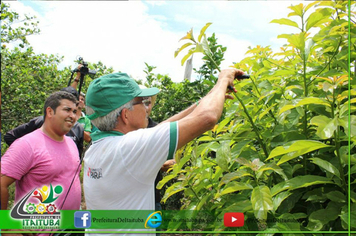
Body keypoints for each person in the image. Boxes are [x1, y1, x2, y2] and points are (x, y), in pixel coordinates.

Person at [83, 68, 245, 235]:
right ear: (125, 115)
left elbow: (159, 130)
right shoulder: (129, 149)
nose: (147, 108)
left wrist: (206, 100)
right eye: (143, 102)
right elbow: (208, 117)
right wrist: (223, 78)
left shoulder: (97, 146)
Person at [1, 91, 82, 234]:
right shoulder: (27, 144)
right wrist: (5, 225)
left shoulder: (71, 143)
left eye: (75, 111)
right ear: (50, 112)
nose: (73, 116)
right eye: (67, 110)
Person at [4, 87, 85, 157]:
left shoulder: (78, 129)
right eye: (67, 109)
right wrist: (24, 153)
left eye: (73, 111)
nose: (71, 115)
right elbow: (10, 136)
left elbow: (78, 157)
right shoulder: (41, 122)